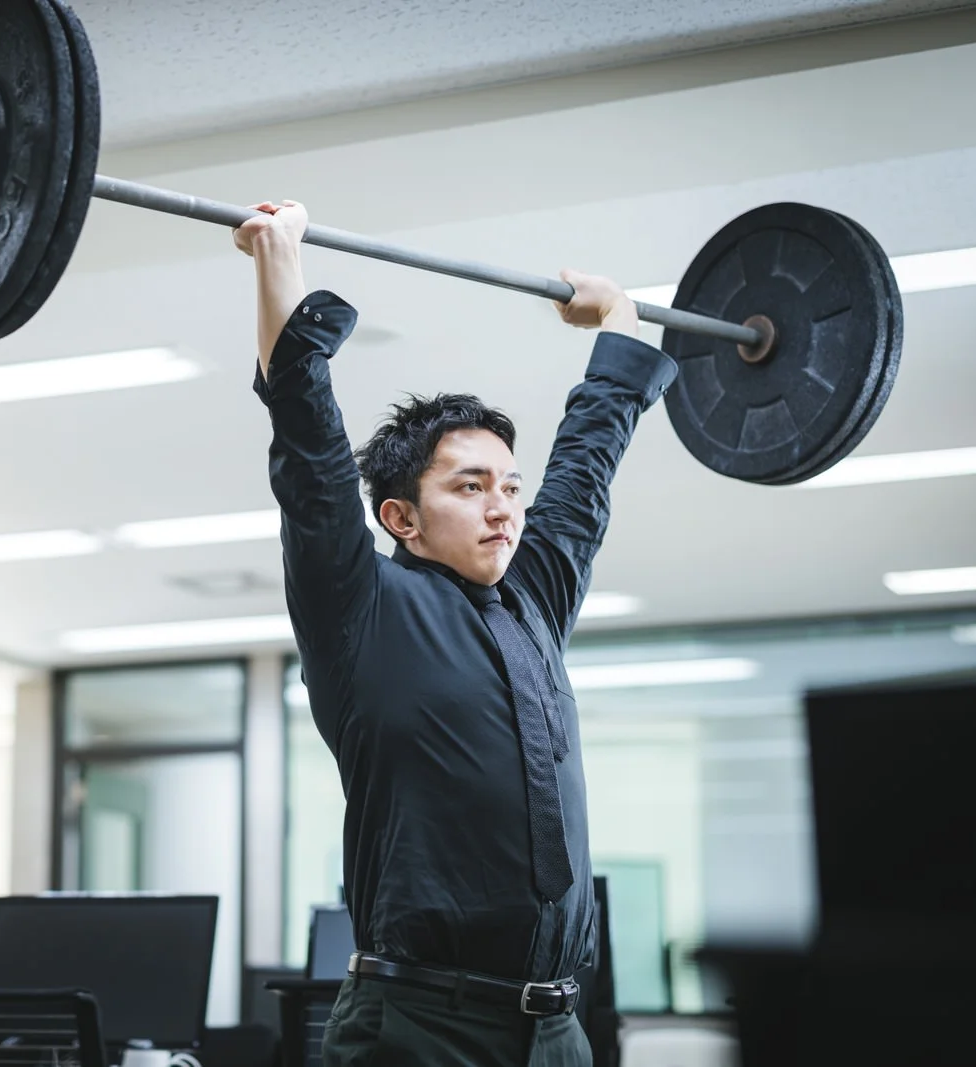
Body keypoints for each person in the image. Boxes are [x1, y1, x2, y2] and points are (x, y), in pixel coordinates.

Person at [235, 200, 678, 1067]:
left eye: (509, 487)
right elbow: (310, 450)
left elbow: (586, 467)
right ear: (401, 516)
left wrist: (619, 319)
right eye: (471, 486)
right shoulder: (359, 606)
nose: (503, 507)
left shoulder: (533, 602)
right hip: (419, 1027)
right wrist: (276, 260)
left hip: (557, 1032)